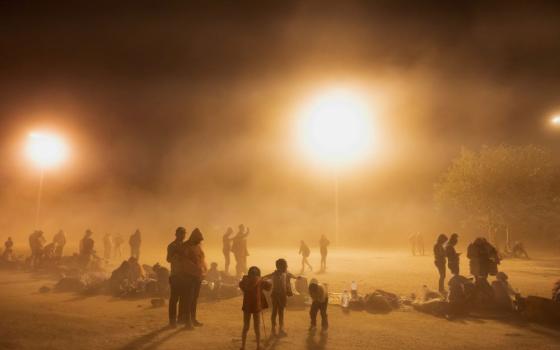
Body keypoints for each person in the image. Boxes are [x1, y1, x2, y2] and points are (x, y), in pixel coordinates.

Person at [239, 266, 271, 350]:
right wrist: (266, 279)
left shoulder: (245, 280)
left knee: (246, 326)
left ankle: (243, 346)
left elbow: (241, 286)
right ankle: (258, 346)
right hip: (256, 306)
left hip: (247, 306)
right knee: (257, 327)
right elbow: (268, 287)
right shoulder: (260, 280)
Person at [263, 258, 297, 337]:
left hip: (282, 295)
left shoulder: (285, 273)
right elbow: (267, 276)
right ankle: (274, 329)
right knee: (275, 311)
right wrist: (261, 278)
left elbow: (290, 274)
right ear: (280, 267)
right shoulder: (275, 274)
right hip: (276, 295)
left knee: (280, 312)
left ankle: (280, 329)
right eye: (285, 265)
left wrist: (296, 277)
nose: (287, 267)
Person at [182, 228, 207, 329]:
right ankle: (187, 321)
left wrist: (204, 269)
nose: (200, 242)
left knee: (194, 298)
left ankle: (193, 319)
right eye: (198, 240)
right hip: (188, 276)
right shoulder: (186, 246)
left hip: (197, 276)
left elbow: (202, 259)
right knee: (189, 299)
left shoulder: (197, 246)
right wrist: (196, 268)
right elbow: (185, 261)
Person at [167, 227, 186, 327]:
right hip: (175, 275)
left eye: (184, 234)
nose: (183, 236)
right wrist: (176, 255)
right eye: (181, 234)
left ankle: (181, 319)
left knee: (183, 298)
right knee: (174, 299)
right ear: (176, 234)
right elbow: (168, 259)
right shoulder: (172, 246)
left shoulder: (185, 245)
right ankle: (172, 320)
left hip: (184, 275)